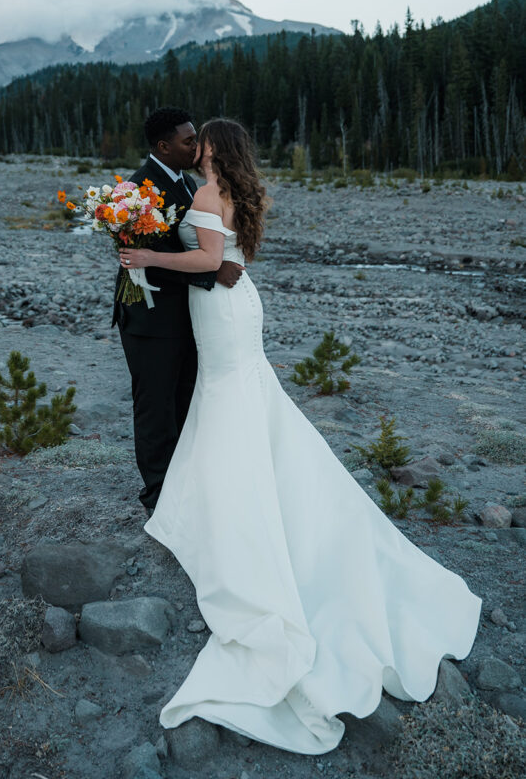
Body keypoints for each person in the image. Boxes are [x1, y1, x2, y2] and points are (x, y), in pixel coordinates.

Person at [118, 118, 482, 756]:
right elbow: (225, 259)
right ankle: (236, 481)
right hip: (235, 303)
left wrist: (146, 255)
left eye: (201, 138)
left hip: (221, 309)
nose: (194, 142)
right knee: (240, 396)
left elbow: (206, 259)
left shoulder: (205, 196)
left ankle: (232, 498)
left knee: (229, 395)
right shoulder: (229, 191)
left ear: (211, 150)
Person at [112, 107, 243, 516]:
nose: (197, 146)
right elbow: (141, 258)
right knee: (155, 408)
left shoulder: (186, 182)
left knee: (184, 401)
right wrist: (211, 271)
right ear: (163, 146)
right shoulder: (136, 190)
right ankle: (158, 498)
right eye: (189, 141)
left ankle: (184, 484)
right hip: (150, 319)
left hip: (185, 315)